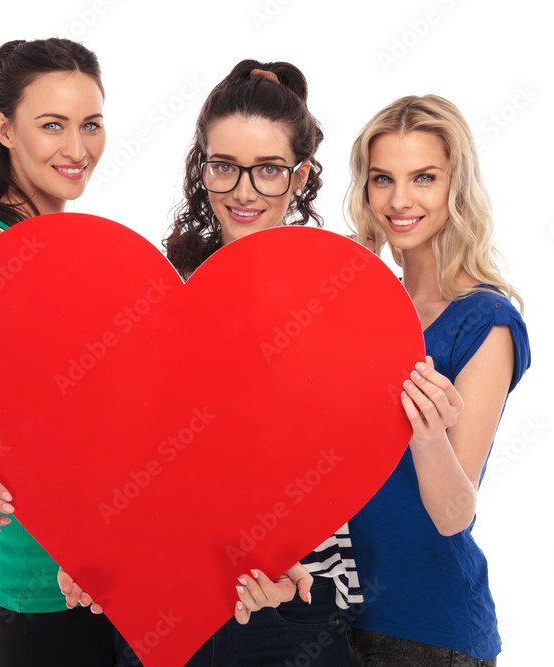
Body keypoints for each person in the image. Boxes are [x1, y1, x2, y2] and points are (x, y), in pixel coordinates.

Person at [0, 37, 135, 666]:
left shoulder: (47, 241)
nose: (77, 150)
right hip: (46, 601)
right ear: (5, 129)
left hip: (99, 585)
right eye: (52, 125)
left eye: (90, 125)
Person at [165, 58, 362, 666]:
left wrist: (283, 553)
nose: (244, 191)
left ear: (300, 176)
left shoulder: (344, 295)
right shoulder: (164, 290)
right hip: (174, 602)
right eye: (225, 167)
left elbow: (354, 454)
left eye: (269, 171)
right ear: (204, 167)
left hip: (300, 603)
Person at [342, 95, 531, 666]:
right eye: (383, 179)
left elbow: (454, 514)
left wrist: (426, 435)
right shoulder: (361, 304)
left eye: (424, 178)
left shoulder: (486, 321)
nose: (399, 201)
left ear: (457, 186)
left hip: (428, 632)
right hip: (331, 613)